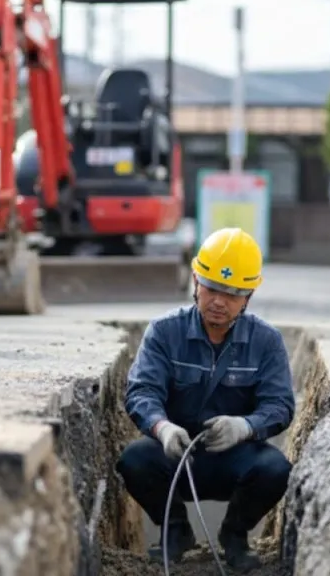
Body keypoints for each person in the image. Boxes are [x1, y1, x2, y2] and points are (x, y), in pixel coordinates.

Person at [116, 227, 295, 572]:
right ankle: (176, 532)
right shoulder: (165, 332)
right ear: (196, 282)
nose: (218, 301)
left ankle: (235, 536)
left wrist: (245, 427)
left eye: (232, 294)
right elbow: (142, 391)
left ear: (248, 296)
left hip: (236, 460)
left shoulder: (266, 341)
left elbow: (280, 405)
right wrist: (162, 427)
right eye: (211, 288)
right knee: (134, 459)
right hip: (176, 456)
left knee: (276, 469)